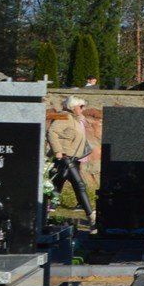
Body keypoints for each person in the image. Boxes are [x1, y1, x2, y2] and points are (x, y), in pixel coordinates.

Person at [47, 96, 97, 225]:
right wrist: (58, 150)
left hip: (74, 157)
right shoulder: (64, 116)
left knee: (58, 183)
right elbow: (52, 132)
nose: (83, 109)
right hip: (65, 157)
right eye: (81, 107)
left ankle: (46, 208)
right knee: (79, 184)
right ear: (73, 106)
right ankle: (90, 215)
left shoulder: (75, 118)